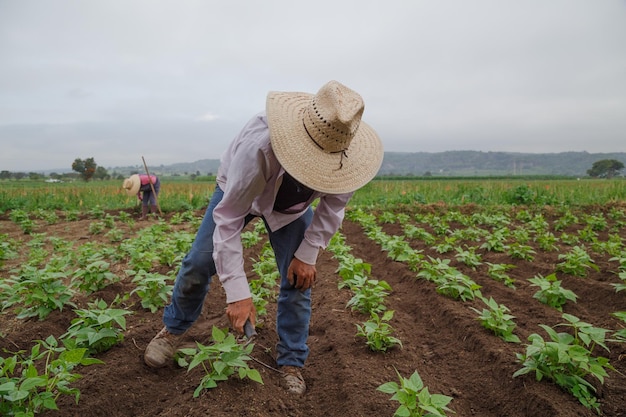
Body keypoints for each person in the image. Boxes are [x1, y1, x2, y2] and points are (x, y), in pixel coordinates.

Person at [143, 80, 383, 394]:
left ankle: (291, 360)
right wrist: (238, 293)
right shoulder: (259, 146)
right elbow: (228, 219)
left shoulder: (347, 160)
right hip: (239, 193)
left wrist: (307, 254)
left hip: (291, 210)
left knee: (299, 279)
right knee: (200, 260)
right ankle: (173, 330)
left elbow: (333, 207)